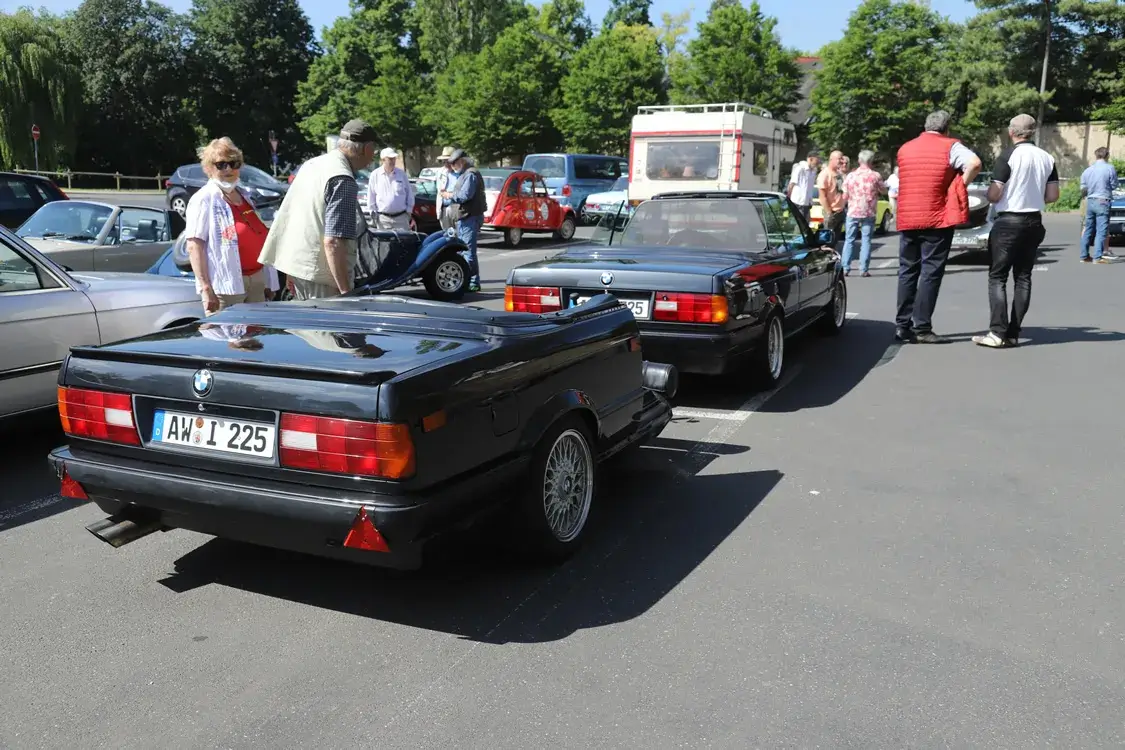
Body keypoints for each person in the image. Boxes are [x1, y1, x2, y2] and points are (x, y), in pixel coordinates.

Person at [259, 119, 375, 300]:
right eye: (374, 149)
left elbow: (293, 218)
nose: (373, 156)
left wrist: (290, 271)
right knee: (328, 320)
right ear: (366, 148)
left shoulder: (312, 165)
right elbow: (333, 242)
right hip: (323, 278)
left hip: (298, 269)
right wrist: (346, 292)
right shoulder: (342, 179)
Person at [894, 110, 982, 343]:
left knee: (907, 270)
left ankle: (902, 326)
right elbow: (974, 163)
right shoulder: (951, 146)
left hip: (908, 216)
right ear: (946, 128)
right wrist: (959, 185)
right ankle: (922, 327)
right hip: (936, 216)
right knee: (930, 271)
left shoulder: (905, 148)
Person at [971, 114, 1059, 349]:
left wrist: (989, 194)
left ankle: (996, 332)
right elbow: (1052, 195)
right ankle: (1013, 333)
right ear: (1033, 131)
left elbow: (994, 194)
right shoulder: (1047, 158)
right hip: (1034, 221)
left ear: (1011, 132)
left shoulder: (1008, 156)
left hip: (1009, 221)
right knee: (1023, 277)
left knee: (998, 276)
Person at [184, 137, 280, 315]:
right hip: (226, 286)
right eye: (221, 164)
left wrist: (268, 280)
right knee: (227, 332)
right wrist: (205, 287)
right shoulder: (203, 199)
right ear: (208, 168)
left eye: (234, 163)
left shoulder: (245, 195)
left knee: (257, 331)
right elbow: (194, 246)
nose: (228, 169)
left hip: (256, 280)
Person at [440, 148, 484, 293]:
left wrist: (449, 195)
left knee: (468, 251)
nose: (452, 166)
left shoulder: (470, 174)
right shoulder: (466, 174)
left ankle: (472, 282)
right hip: (466, 216)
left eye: (454, 163)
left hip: (469, 216)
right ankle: (470, 281)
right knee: (466, 251)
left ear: (462, 161)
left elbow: (465, 196)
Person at [841, 149, 887, 277]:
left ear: (859, 160)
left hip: (853, 211)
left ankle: (845, 268)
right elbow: (883, 191)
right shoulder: (875, 176)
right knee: (866, 240)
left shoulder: (851, 176)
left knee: (849, 240)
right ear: (871, 161)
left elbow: (845, 195)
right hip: (869, 212)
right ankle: (863, 269)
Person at [1078, 147, 1118, 263]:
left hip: (1090, 200)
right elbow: (1114, 184)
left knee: (1088, 228)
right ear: (1107, 155)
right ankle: (1097, 257)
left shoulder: (1088, 170)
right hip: (1103, 200)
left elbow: (1083, 187)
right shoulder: (1109, 168)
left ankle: (1084, 256)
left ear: (1096, 155)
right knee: (1101, 230)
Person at [367, 147, 415, 231]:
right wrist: (373, 213)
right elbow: (371, 196)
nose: (393, 161)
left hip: (401, 218)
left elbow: (409, 194)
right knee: (384, 240)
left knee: (404, 239)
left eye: (394, 158)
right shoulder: (375, 175)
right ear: (383, 160)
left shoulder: (401, 174)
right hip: (383, 220)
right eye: (390, 159)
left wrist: (409, 212)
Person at [816, 151, 846, 243]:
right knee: (826, 242)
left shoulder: (838, 173)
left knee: (835, 241)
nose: (841, 161)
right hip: (831, 213)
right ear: (831, 159)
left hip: (840, 211)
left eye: (842, 159)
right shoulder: (824, 174)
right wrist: (829, 212)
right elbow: (822, 197)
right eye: (839, 159)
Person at [786, 151, 820, 222]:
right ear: (810, 159)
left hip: (807, 203)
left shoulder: (814, 171)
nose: (818, 163)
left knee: (806, 224)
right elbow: (792, 184)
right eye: (816, 161)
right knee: (798, 223)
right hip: (797, 202)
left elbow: (810, 187)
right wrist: (788, 198)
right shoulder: (800, 168)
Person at [434, 146, 457, 231]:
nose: (445, 163)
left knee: (459, 235)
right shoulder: (440, 172)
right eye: (444, 161)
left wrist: (449, 194)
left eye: (448, 161)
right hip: (443, 208)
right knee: (447, 235)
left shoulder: (460, 173)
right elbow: (438, 191)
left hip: (456, 208)